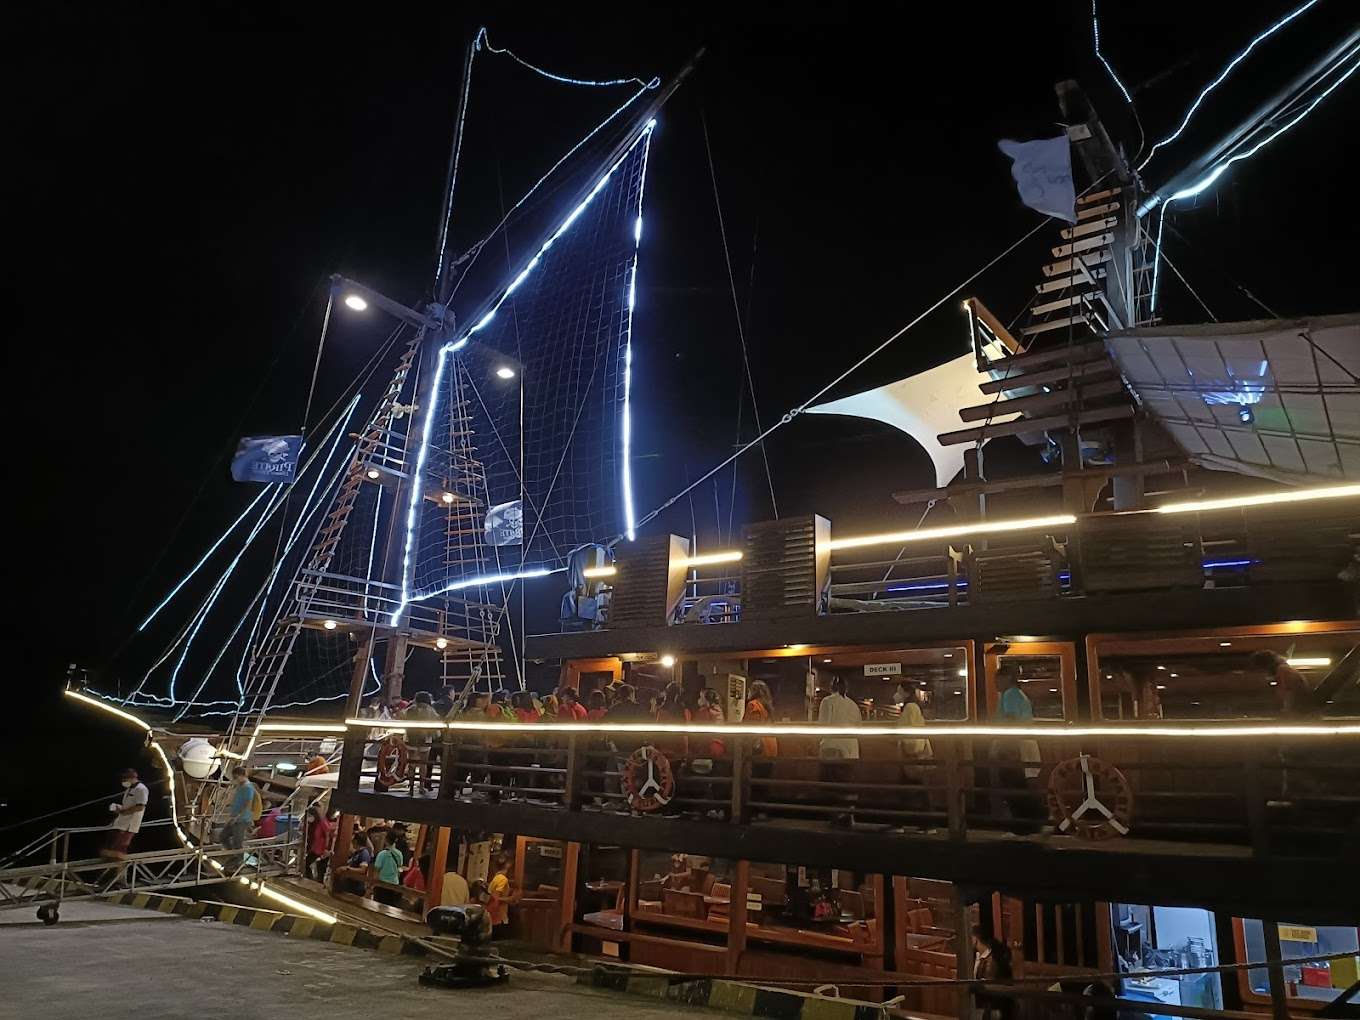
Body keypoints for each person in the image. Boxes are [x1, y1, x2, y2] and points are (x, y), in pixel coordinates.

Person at [992, 670, 1044, 833]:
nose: (995, 683)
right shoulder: (1018, 694)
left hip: (1014, 747)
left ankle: (1023, 827)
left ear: (1007, 678)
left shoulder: (1010, 694)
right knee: (1023, 786)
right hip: (1023, 745)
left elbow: (1010, 721)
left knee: (1014, 786)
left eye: (997, 679)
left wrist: (1001, 746)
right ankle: (1031, 825)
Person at [818, 677, 862, 826]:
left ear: (831, 687)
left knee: (833, 786)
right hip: (851, 750)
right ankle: (848, 815)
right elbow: (859, 727)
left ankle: (837, 817)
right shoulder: (853, 705)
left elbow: (823, 725)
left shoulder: (827, 702)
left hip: (832, 747)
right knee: (847, 785)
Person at [101, 768, 149, 860]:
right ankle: (110, 857)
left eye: (125, 779)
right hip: (122, 820)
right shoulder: (129, 789)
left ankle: (117, 860)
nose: (123, 781)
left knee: (121, 845)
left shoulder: (141, 789)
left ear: (131, 778)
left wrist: (124, 811)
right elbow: (128, 804)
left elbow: (140, 806)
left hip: (130, 823)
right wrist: (119, 808)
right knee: (111, 841)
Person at [1250, 650, 1313, 716]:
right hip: (1298, 709)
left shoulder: (1282, 670)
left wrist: (1286, 710)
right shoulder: (1285, 669)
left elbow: (1287, 691)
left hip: (1297, 711)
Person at [971, 925, 1015, 1020]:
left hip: (990, 1005)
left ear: (975, 939)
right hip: (978, 1002)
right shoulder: (976, 955)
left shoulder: (992, 961)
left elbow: (988, 987)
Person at [221, 767, 255, 852]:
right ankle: (231, 853)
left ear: (242, 775)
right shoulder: (240, 786)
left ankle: (237, 858)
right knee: (223, 836)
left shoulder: (248, 788)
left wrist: (238, 816)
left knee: (237, 843)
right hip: (235, 816)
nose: (235, 779)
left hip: (242, 819)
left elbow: (247, 804)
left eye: (236, 777)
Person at [333, 831, 373, 895]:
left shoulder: (364, 853)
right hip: (349, 884)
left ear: (356, 841)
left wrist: (347, 868)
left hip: (356, 887)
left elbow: (362, 870)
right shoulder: (356, 852)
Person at [746, 680, 778, 758]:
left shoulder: (753, 705)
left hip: (760, 747)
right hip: (771, 744)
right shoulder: (767, 706)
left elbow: (752, 726)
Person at [485, 853, 516, 934]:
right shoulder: (502, 879)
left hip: (493, 917)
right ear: (508, 864)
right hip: (499, 917)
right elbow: (495, 899)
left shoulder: (496, 878)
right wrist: (511, 899)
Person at [372, 831, 404, 906]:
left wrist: (373, 884)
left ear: (386, 840)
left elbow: (376, 870)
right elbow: (399, 869)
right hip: (394, 884)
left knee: (378, 906)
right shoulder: (399, 854)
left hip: (382, 884)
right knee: (390, 906)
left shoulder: (382, 854)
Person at [304, 805, 333, 882]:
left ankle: (312, 880)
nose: (309, 817)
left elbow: (328, 834)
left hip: (321, 849)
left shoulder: (322, 822)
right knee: (309, 864)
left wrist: (326, 848)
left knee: (311, 864)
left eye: (310, 815)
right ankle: (311, 879)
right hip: (314, 848)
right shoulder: (313, 824)